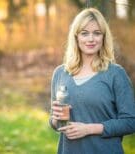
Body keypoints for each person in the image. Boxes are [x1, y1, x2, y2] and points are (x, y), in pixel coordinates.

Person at [49, 7, 135, 154]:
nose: (91, 39)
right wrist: (56, 119)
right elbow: (54, 122)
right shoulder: (60, 73)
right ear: (76, 37)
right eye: (84, 33)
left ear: (103, 37)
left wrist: (89, 129)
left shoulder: (115, 74)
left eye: (97, 33)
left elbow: (130, 122)